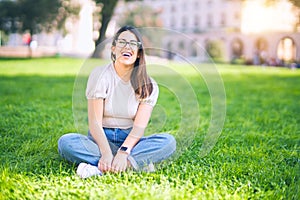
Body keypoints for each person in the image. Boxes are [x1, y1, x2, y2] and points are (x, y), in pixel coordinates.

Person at [58, 25, 176, 178]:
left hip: (129, 141)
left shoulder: (149, 84)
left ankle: (103, 168)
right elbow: (94, 123)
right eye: (122, 42)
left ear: (139, 53)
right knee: (66, 142)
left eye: (133, 43)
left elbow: (139, 128)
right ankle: (133, 164)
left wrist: (123, 152)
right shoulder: (100, 75)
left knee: (168, 142)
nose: (127, 47)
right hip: (99, 140)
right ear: (113, 49)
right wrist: (106, 152)